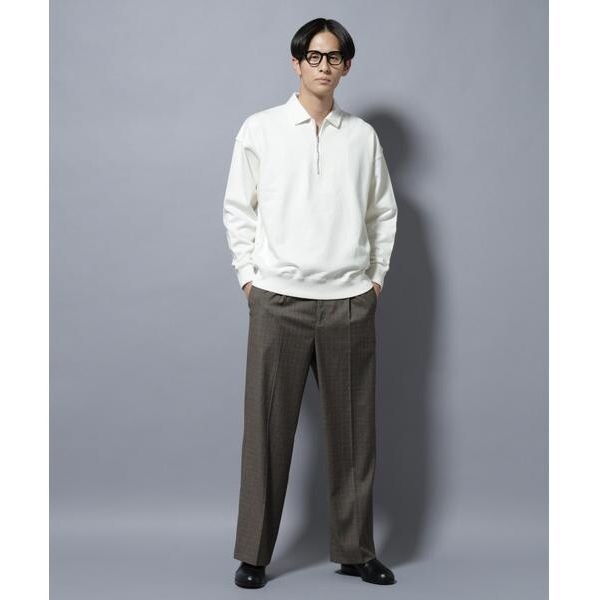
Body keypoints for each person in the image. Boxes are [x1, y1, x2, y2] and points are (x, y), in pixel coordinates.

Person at [222, 17, 398, 588]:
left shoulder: (362, 137)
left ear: (347, 66)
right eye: (315, 56)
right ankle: (254, 554)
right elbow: (238, 209)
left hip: (348, 301)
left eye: (335, 57)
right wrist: (249, 279)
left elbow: (382, 212)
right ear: (296, 63)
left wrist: (374, 280)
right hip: (279, 301)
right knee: (266, 433)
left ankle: (355, 550)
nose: (325, 66)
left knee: (354, 435)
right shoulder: (261, 129)